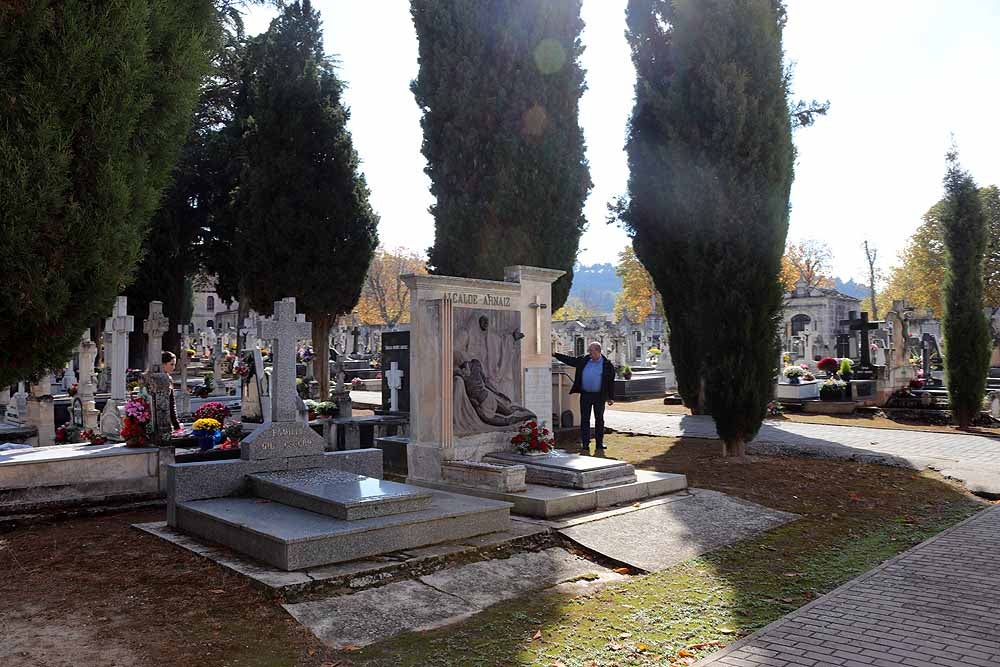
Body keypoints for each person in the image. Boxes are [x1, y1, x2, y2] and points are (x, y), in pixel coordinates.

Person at [553, 342, 616, 455]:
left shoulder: (607, 364)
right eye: (589, 350)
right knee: (585, 419)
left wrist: (610, 397)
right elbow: (571, 360)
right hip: (586, 395)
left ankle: (599, 443)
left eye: (591, 351)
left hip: (599, 396)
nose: (589, 353)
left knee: (599, 419)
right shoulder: (584, 360)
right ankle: (585, 443)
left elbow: (610, 383)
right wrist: (556, 354)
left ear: (598, 351)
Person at [160, 351, 181, 431]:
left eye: (174, 364)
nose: (174, 367)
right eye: (171, 364)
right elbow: (171, 404)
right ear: (163, 364)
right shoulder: (166, 379)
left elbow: (171, 403)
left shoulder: (168, 378)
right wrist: (176, 426)